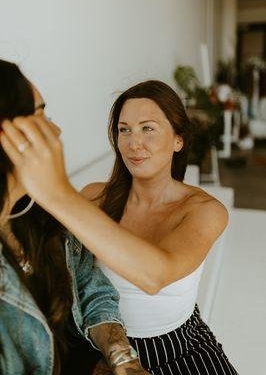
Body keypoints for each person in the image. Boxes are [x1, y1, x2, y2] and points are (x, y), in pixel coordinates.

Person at [0, 78, 239, 375]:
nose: (133, 143)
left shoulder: (205, 210)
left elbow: (155, 275)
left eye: (147, 128)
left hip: (179, 346)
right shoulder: (93, 197)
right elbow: (77, 279)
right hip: (97, 349)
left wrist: (56, 192)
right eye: (124, 129)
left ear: (179, 139)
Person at [0, 59, 149, 375]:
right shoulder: (60, 199)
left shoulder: (37, 213)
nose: (56, 129)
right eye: (39, 115)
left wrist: (121, 357)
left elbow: (90, 286)